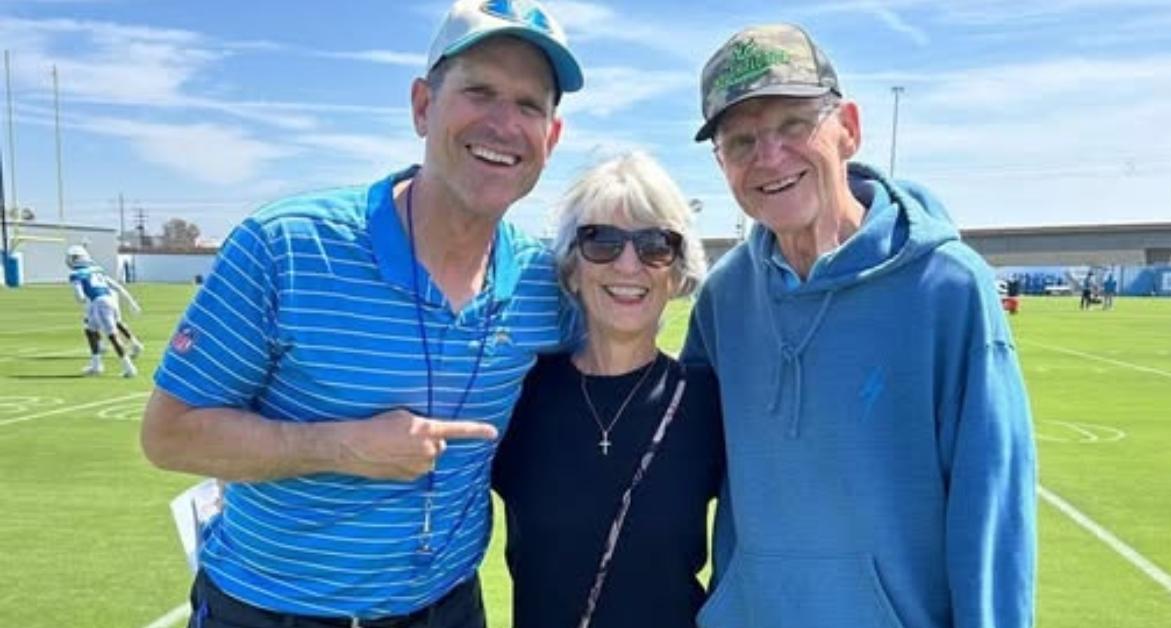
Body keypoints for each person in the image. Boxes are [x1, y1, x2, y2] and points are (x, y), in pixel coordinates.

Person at [139, 1, 583, 625]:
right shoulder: (287, 245)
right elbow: (168, 434)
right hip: (271, 611)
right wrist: (341, 446)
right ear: (422, 106)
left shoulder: (544, 281)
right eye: (479, 91)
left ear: (551, 138)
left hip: (448, 609)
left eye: (529, 105)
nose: (503, 124)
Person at [681, 24, 1037, 628]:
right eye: (740, 141)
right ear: (721, 163)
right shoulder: (724, 296)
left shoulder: (949, 289)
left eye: (794, 124)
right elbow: (679, 471)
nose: (769, 156)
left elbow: (992, 513)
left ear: (848, 127)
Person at [492, 152, 722, 628]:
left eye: (656, 245)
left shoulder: (709, 403)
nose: (629, 264)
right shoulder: (518, 396)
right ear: (571, 270)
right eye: (601, 242)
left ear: (677, 272)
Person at [66, 244, 144, 378]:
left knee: (112, 336)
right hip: (109, 300)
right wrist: (131, 301)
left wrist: (84, 300)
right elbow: (117, 287)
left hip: (99, 304)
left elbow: (80, 296)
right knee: (89, 330)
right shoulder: (96, 270)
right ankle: (96, 365)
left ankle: (129, 367)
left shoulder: (76, 274)